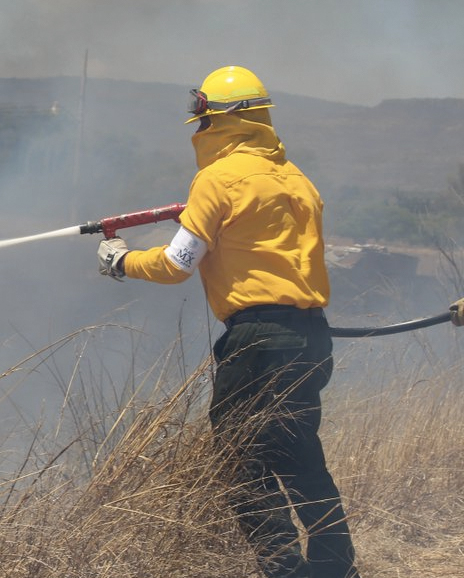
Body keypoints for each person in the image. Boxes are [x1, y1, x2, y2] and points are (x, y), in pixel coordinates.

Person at [95, 66, 360, 578]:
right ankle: (336, 569)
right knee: (300, 457)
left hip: (258, 341)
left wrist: (121, 261)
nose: (199, 129)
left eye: (203, 119)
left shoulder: (217, 179)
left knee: (241, 460)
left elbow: (176, 264)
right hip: (311, 336)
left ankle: (284, 570)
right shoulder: (297, 179)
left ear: (223, 119)